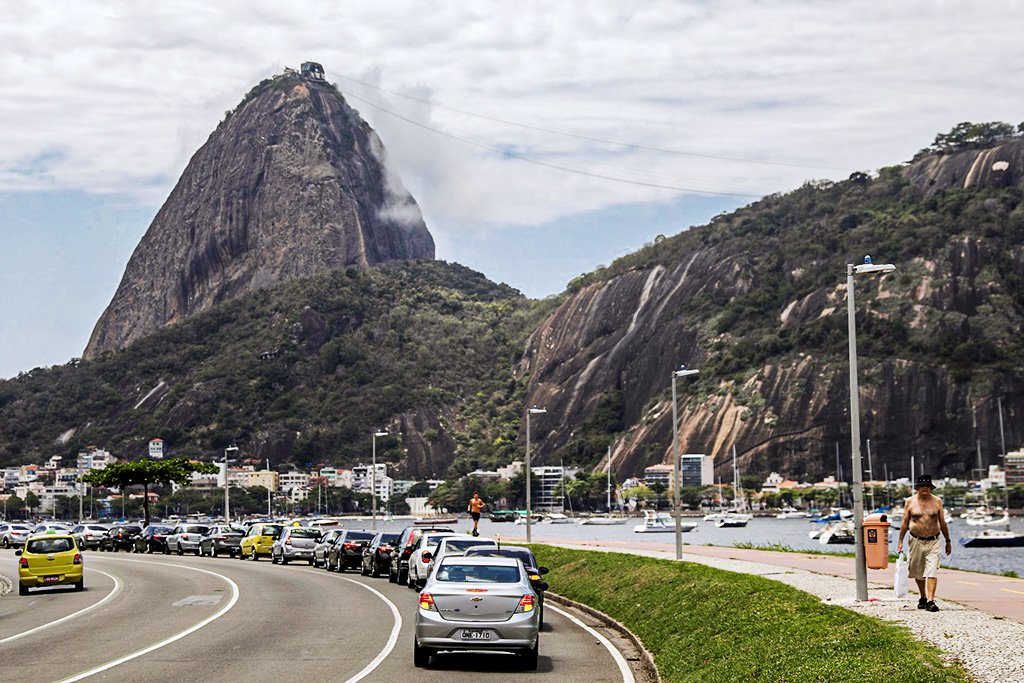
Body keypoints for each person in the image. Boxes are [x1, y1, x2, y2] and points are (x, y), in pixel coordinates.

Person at [896, 475, 952, 612]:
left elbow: (942, 522)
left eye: (927, 485)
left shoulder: (937, 501)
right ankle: (923, 597)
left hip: (934, 540)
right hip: (916, 540)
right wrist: (900, 541)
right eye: (922, 486)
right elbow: (904, 523)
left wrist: (948, 541)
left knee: (932, 570)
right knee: (918, 571)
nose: (925, 488)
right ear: (918, 488)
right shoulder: (910, 502)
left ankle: (931, 600)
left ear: (931, 487)